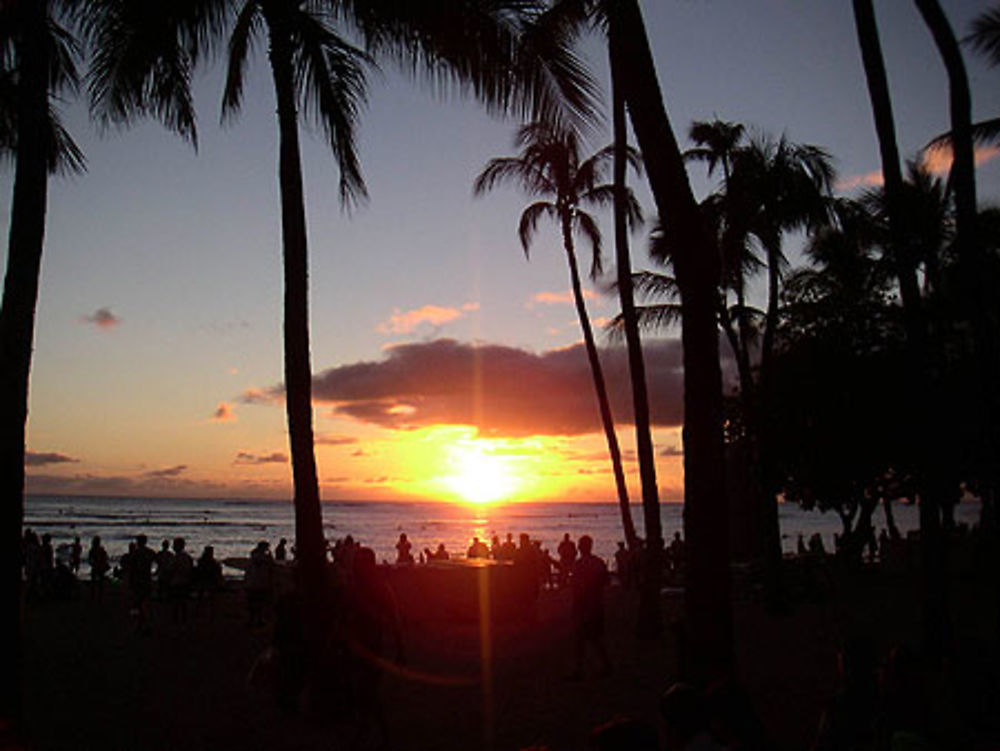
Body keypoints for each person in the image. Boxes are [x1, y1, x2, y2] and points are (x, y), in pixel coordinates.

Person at [568, 535, 610, 679]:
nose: (578, 547)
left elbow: (576, 586)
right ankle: (604, 665)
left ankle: (579, 670)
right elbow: (606, 581)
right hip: (596, 605)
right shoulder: (598, 562)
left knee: (581, 640)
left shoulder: (579, 564)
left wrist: (575, 604)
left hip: (584, 606)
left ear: (582, 547)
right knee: (595, 638)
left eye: (580, 545)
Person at [126, 534, 157, 634]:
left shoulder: (135, 553)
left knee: (137, 603)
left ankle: (139, 624)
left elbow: (131, 568)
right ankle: (144, 624)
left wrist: (129, 580)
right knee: (144, 603)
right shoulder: (150, 552)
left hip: (137, 580)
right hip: (146, 579)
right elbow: (159, 561)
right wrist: (156, 573)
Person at [245, 541, 275, 626]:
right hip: (260, 583)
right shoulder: (263, 558)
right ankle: (257, 620)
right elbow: (271, 564)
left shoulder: (253, 557)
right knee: (259, 603)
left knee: (253, 603)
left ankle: (252, 620)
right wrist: (270, 554)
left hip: (253, 583)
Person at [168, 537, 194, 623]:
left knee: (176, 601)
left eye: (175, 545)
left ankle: (176, 618)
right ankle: (183, 618)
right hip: (184, 581)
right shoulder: (187, 557)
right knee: (183, 601)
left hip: (176, 582)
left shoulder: (175, 558)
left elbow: (170, 569)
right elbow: (190, 570)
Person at [87, 536, 110, 601]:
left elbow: (90, 559)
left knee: (97, 583)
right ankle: (97, 596)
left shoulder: (97, 550)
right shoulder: (98, 550)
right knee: (98, 583)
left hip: (98, 567)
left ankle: (96, 596)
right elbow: (105, 557)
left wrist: (94, 564)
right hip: (98, 567)